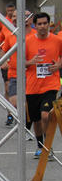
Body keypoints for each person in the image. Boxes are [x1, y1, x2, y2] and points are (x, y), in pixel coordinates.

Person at [25, 12, 62, 158]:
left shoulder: (57, 40)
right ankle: (40, 145)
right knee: (36, 120)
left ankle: (47, 145)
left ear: (49, 24)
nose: (42, 26)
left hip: (51, 84)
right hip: (33, 86)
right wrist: (30, 62)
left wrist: (58, 65)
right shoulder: (27, 41)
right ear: (35, 25)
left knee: (46, 115)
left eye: (45, 23)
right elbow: (19, 62)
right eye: (39, 24)